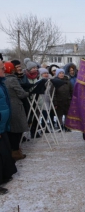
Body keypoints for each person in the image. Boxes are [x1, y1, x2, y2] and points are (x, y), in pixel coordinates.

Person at [3, 62, 29, 160]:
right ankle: (15, 151)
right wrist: (28, 93)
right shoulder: (12, 79)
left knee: (11, 130)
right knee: (17, 129)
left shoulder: (4, 80)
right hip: (15, 106)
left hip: (7, 106)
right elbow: (21, 94)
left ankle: (14, 150)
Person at [0, 60, 18, 195]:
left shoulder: (1, 83)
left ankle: (5, 175)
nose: (4, 70)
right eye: (1, 68)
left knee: (5, 152)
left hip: (2, 125)